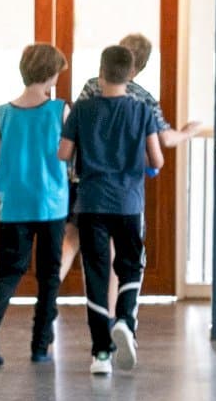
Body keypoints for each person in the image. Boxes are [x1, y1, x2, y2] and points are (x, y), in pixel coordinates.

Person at [59, 33, 203, 313]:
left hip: (85, 181)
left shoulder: (90, 88)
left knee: (73, 240)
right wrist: (187, 132)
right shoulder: (143, 101)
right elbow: (164, 141)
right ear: (138, 67)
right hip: (125, 190)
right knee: (118, 252)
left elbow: (72, 131)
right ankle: (114, 314)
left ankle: (50, 299)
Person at [58, 45, 164, 376]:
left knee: (96, 274)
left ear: (101, 72)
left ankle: (101, 354)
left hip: (91, 203)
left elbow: (63, 153)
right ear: (130, 73)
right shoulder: (142, 110)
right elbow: (157, 160)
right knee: (131, 265)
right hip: (129, 203)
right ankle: (126, 321)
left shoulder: (82, 109)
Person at [0, 44, 70, 366]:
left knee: (8, 271)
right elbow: (68, 155)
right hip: (51, 204)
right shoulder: (59, 110)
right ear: (51, 74)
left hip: (14, 205)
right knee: (49, 275)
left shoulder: (3, 113)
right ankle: (40, 345)